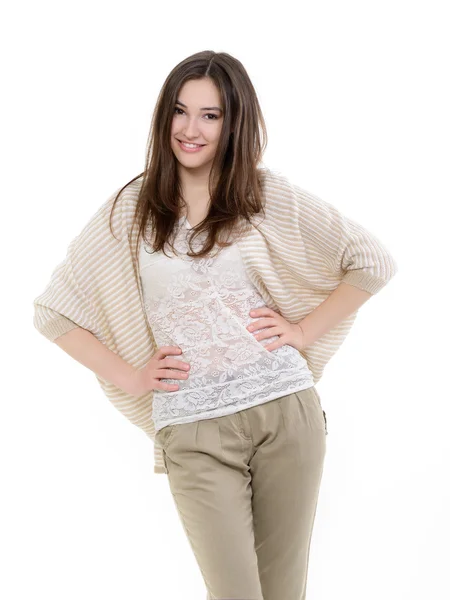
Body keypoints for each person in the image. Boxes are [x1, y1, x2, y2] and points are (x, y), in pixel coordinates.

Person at [32, 50, 398, 600]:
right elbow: (54, 311)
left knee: (283, 593)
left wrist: (301, 332)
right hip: (194, 429)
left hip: (285, 413)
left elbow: (372, 262)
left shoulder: (262, 194)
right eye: (180, 112)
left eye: (210, 115)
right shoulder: (134, 206)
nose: (190, 129)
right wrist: (132, 377)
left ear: (235, 122)